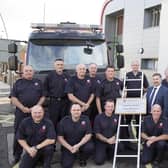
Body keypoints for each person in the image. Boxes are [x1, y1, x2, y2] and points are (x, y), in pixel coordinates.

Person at [10, 65, 45, 164]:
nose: (29, 72)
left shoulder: (38, 82)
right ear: (23, 72)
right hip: (21, 113)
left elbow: (43, 97)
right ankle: (17, 155)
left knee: (37, 134)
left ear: (33, 72)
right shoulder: (18, 83)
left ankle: (37, 156)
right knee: (19, 133)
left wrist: (36, 108)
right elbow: (13, 98)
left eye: (30, 71)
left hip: (36, 113)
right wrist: (22, 108)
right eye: (26, 71)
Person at [57, 103, 94, 168]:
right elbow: (60, 138)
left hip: (81, 144)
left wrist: (78, 145)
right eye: (74, 110)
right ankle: (72, 155)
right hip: (69, 145)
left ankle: (82, 158)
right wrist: (70, 148)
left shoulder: (86, 119)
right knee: (66, 165)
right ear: (70, 111)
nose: (76, 112)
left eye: (78, 110)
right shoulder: (64, 121)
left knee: (90, 147)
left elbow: (88, 134)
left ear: (81, 111)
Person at [94, 100, 122, 165]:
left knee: (120, 147)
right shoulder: (98, 117)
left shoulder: (116, 117)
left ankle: (108, 154)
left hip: (112, 140)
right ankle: (101, 153)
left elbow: (119, 130)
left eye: (112, 106)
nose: (110, 108)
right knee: (99, 161)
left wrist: (114, 137)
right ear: (105, 107)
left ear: (114, 107)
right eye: (108, 106)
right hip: (101, 141)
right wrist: (107, 140)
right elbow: (97, 134)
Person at [44, 58, 70, 128]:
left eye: (61, 65)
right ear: (54, 66)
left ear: (63, 66)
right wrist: (49, 97)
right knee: (53, 121)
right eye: (58, 64)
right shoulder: (49, 76)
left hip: (65, 102)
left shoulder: (67, 76)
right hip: (54, 102)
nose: (60, 66)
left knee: (64, 121)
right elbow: (45, 88)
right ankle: (53, 137)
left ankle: (63, 137)